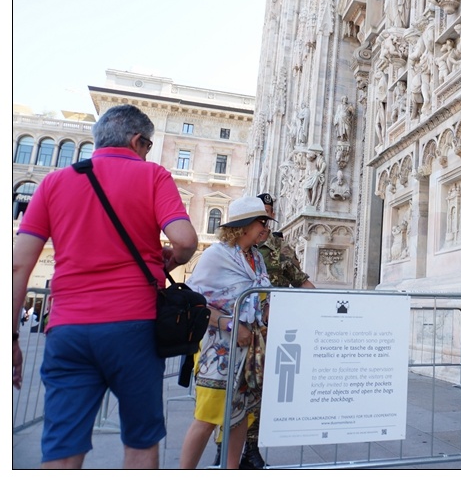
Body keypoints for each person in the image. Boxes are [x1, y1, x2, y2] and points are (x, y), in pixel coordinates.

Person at [12, 104, 198, 469]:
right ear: (137, 140)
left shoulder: (52, 183)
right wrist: (170, 260)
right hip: (133, 327)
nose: (147, 154)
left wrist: (10, 339)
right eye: (147, 146)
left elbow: (19, 264)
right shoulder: (153, 176)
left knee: (62, 447)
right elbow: (186, 240)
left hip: (68, 329)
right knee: (140, 440)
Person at [179, 197, 273, 469]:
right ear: (243, 226)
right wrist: (231, 325)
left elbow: (261, 300)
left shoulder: (256, 258)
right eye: (261, 222)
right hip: (218, 349)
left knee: (241, 414)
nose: (265, 227)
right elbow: (196, 303)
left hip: (250, 350)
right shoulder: (216, 256)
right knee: (207, 416)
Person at [230, 193, 317, 469]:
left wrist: (330, 308)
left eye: (268, 216)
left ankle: (251, 450)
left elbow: (300, 279)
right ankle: (226, 449)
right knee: (234, 392)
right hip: (240, 331)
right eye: (261, 218)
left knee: (260, 391)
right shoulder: (234, 250)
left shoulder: (280, 247)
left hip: (272, 331)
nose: (265, 224)